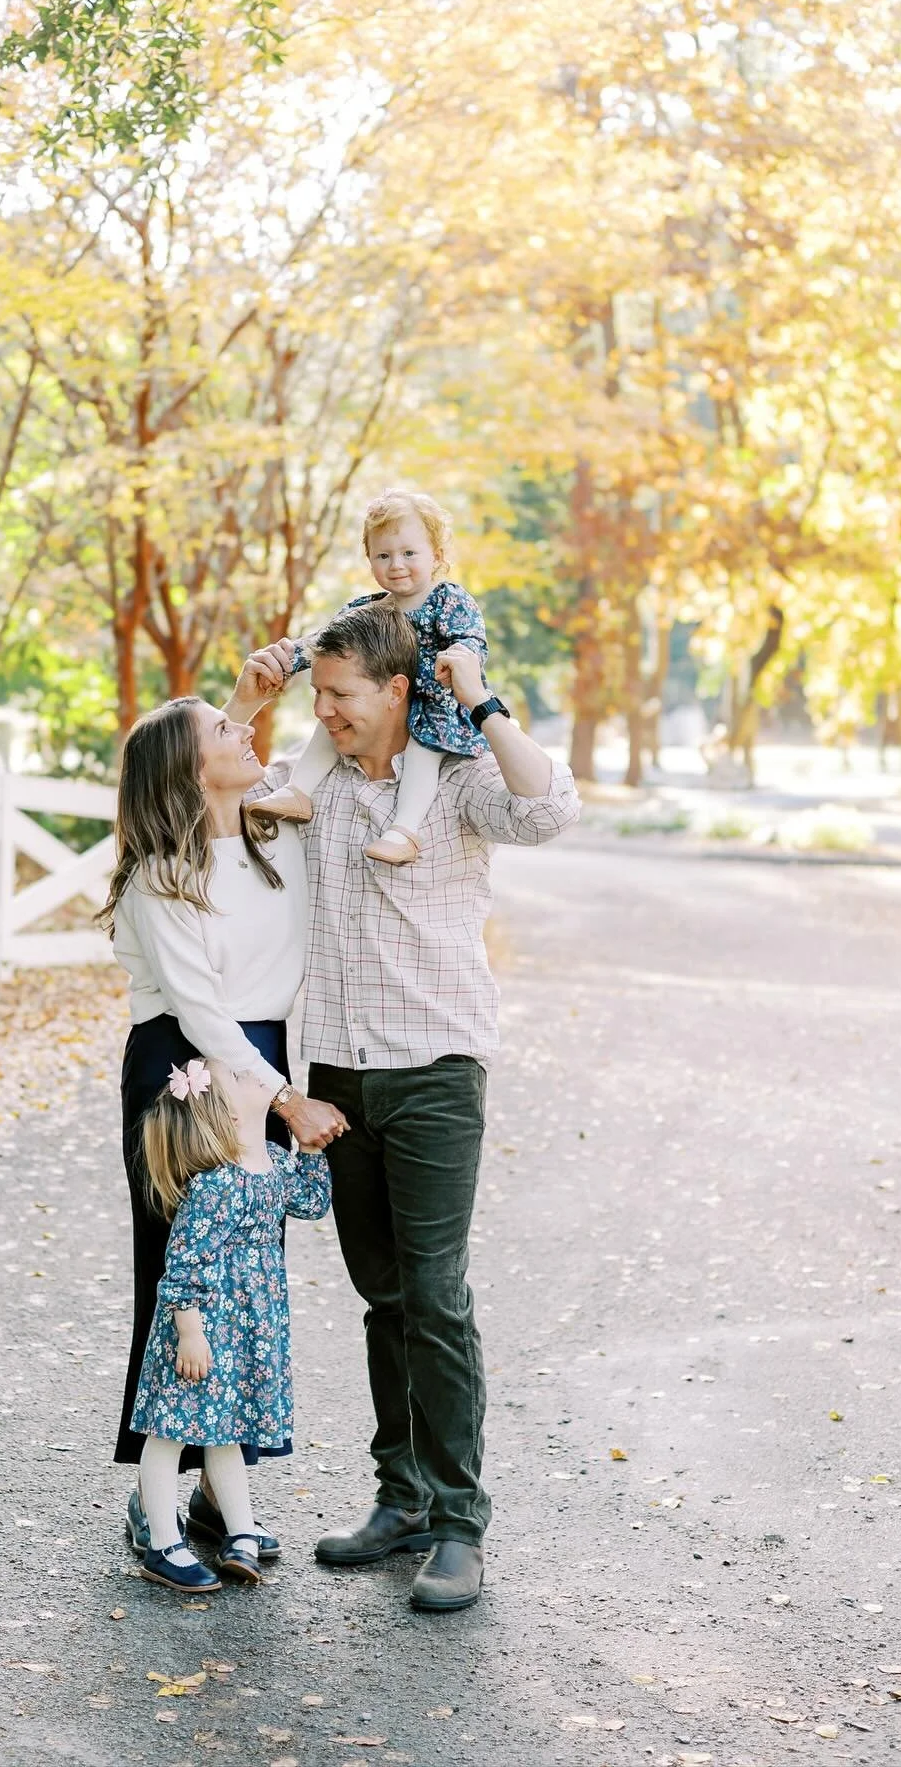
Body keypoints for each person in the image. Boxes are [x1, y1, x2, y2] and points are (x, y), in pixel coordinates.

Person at [229, 601, 580, 1613]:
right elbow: (206, 782)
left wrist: (476, 692)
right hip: (336, 1072)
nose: (326, 712)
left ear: (395, 690)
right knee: (383, 1296)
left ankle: (459, 1524)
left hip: (434, 1068)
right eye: (317, 695)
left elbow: (552, 807)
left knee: (434, 1294)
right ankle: (403, 1494)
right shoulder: (321, 788)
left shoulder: (460, 783)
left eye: (339, 696)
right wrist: (252, 698)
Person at [98, 696, 347, 1562]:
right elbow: (201, 1007)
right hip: (189, 1066)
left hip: (262, 1059)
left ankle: (218, 1491)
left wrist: (307, 664)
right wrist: (284, 1100)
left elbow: (322, 741)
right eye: (225, 729)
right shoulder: (160, 873)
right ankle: (152, 1501)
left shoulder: (275, 835)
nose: (248, 731)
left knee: (246, 1280)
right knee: (183, 1279)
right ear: (190, 767)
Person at [130, 1055, 332, 1593]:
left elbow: (311, 1204)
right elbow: (182, 1265)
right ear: (221, 1112)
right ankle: (163, 1542)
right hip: (203, 1329)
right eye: (242, 1077)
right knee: (169, 1432)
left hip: (249, 1326)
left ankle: (240, 1532)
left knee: (228, 1431)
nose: (258, 1078)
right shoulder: (215, 1185)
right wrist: (190, 1332)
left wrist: (309, 1152)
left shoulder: (270, 1159)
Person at [251, 490, 489, 866]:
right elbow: (323, 643)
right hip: (375, 706)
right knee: (330, 724)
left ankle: (404, 831)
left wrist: (460, 659)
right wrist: (291, 659)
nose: (396, 564)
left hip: (433, 703)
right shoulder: (366, 609)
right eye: (383, 555)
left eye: (409, 553)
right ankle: (298, 791)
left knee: (422, 753)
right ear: (370, 560)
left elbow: (469, 639)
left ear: (437, 556)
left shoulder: (448, 601)